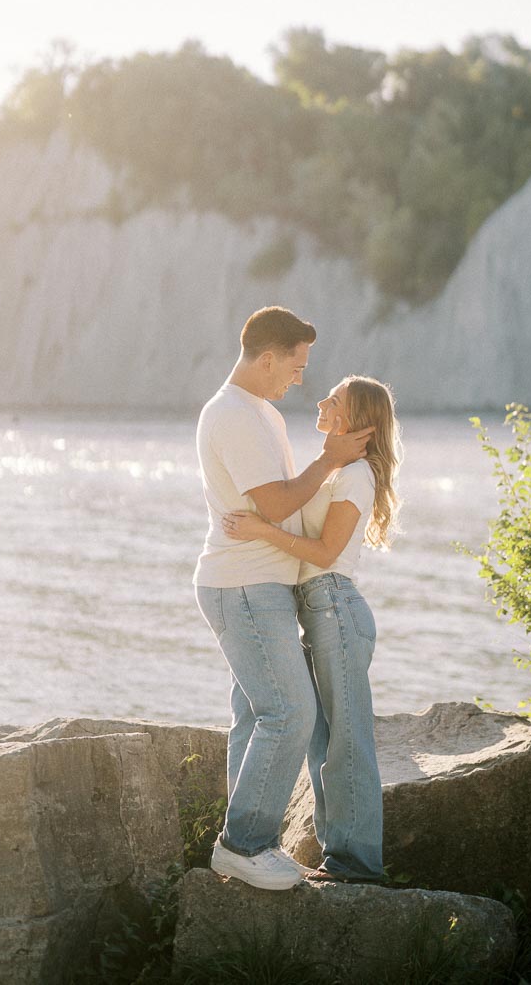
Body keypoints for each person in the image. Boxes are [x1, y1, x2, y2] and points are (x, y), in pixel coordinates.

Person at [194, 307, 373, 891]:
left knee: (255, 713)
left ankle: (252, 843)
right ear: (267, 357)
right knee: (290, 711)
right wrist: (331, 459)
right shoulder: (232, 415)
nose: (299, 379)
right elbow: (273, 505)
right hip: (243, 584)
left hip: (260, 582)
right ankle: (242, 844)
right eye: (295, 367)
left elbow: (286, 507)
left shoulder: (262, 414)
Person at [224, 374, 401, 885]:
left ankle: (357, 864)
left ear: (356, 422)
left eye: (335, 400)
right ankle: (338, 856)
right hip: (313, 609)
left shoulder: (358, 475)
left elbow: (324, 555)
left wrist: (261, 531)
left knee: (347, 738)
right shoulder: (333, 472)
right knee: (320, 740)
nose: (322, 401)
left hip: (335, 609)